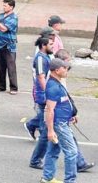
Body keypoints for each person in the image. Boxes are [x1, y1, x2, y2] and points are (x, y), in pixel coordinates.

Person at [42, 57, 79, 183]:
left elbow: (62, 103)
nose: (67, 70)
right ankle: (70, 180)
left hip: (62, 122)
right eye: (65, 68)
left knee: (53, 150)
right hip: (60, 125)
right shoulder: (53, 87)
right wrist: (50, 131)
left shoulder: (57, 83)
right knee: (72, 152)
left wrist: (71, 114)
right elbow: (50, 110)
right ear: (57, 70)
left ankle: (47, 177)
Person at [27, 36, 53, 168]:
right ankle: (36, 160)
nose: (52, 46)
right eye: (50, 44)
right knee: (45, 131)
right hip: (43, 97)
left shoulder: (45, 57)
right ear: (43, 45)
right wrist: (48, 94)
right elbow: (41, 78)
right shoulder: (40, 58)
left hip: (45, 96)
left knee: (47, 129)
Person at [0, 0, 18, 94]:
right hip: (0, 44)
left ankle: (13, 88)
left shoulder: (13, 18)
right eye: (3, 5)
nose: (3, 7)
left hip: (9, 45)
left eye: (5, 6)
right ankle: (1, 86)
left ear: (11, 7)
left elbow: (4, 29)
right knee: (1, 67)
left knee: (11, 67)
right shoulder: (1, 16)